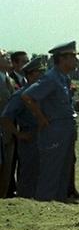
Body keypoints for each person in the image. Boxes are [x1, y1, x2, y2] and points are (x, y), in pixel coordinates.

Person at [21, 41, 79, 201]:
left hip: (66, 129)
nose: (77, 61)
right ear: (63, 58)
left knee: (63, 171)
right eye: (74, 57)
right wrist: (41, 118)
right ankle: (45, 207)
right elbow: (27, 96)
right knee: (51, 173)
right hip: (54, 130)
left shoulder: (64, 78)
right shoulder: (51, 78)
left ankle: (58, 206)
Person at [0, 56, 47, 198]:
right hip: (30, 139)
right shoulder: (21, 95)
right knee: (29, 174)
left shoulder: (42, 93)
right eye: (40, 72)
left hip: (44, 137)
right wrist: (18, 134)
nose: (43, 75)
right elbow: (5, 117)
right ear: (32, 74)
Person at [0, 49, 17, 197]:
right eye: (4, 56)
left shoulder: (9, 80)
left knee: (7, 170)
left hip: (9, 132)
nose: (8, 58)